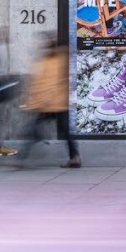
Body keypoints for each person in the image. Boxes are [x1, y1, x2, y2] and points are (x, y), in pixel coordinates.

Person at [19, 39, 81, 168]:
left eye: (45, 48)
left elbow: (45, 85)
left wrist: (34, 103)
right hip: (59, 103)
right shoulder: (60, 59)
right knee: (65, 132)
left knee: (33, 129)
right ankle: (74, 157)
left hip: (50, 104)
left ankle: (21, 159)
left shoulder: (50, 62)